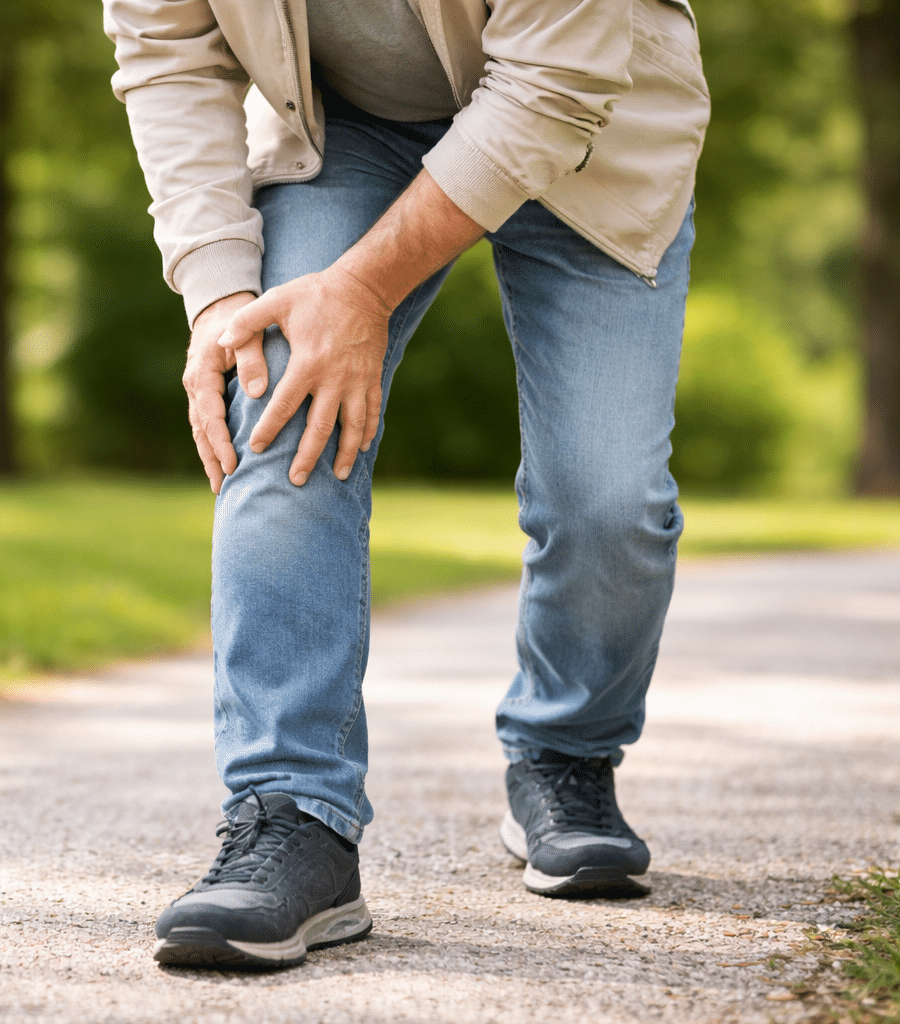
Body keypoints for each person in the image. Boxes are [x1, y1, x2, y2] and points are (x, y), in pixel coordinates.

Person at [104, 0, 709, 970]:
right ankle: (292, 810)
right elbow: (169, 53)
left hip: (584, 126)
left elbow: (551, 87)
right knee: (279, 401)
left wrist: (361, 290)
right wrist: (219, 295)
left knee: (607, 501)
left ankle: (565, 753)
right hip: (347, 128)